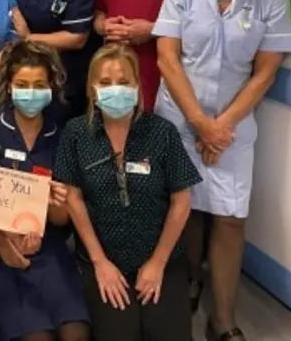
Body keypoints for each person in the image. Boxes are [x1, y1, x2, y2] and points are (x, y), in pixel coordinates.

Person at [153, 0, 291, 341]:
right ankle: (192, 279)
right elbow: (167, 57)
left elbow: (265, 71)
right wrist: (198, 121)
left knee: (231, 217)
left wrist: (221, 126)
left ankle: (224, 320)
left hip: (234, 126)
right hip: (180, 118)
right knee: (187, 210)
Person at [54, 44, 201, 341]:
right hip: (103, 257)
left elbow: (181, 200)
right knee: (120, 333)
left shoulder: (162, 132)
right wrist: (100, 262)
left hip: (161, 256)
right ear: (92, 89)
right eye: (105, 83)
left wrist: (158, 263)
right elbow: (73, 198)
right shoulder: (76, 133)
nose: (115, 90)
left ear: (137, 86)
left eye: (124, 82)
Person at [0, 41, 91, 341]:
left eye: (39, 85)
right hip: (0, 251)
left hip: (50, 250)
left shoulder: (62, 135)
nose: (31, 92)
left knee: (75, 334)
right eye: (23, 84)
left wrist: (54, 201)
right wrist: (5, 245)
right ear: (9, 86)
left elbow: (61, 219)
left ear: (52, 87)